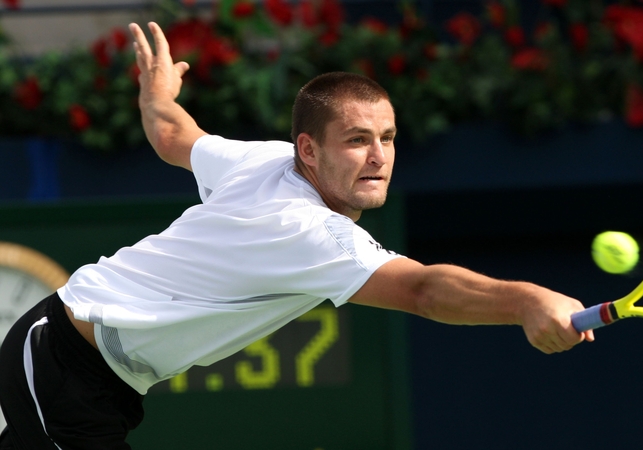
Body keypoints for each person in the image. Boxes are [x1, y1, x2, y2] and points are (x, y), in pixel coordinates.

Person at [0, 21, 593, 450]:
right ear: (308, 149)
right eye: (358, 139)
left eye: (387, 137)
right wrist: (526, 301)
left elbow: (173, 136)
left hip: (96, 376)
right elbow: (423, 291)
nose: (379, 156)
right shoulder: (306, 231)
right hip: (61, 364)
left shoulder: (265, 161)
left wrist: (156, 95)